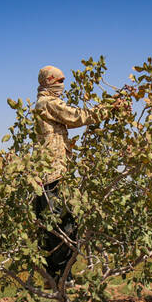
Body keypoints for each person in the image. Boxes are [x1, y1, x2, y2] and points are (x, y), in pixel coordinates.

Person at [33, 65, 116, 284]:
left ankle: (58, 277)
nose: (62, 85)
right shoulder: (47, 103)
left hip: (55, 174)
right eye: (58, 81)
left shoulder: (46, 103)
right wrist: (107, 109)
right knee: (61, 226)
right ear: (49, 82)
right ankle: (59, 278)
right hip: (51, 175)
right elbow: (76, 117)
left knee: (57, 227)